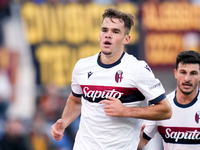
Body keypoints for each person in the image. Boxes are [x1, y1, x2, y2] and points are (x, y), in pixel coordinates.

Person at [51, 8, 172, 150]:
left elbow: (166, 110)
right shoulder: (82, 66)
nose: (108, 35)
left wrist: (126, 111)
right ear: (99, 35)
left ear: (126, 39)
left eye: (115, 32)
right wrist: (64, 122)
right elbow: (76, 100)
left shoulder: (137, 69)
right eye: (104, 30)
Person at [138, 50, 200, 150]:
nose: (187, 78)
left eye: (193, 73)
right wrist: (134, 137)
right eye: (183, 72)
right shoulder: (162, 107)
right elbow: (140, 142)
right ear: (175, 73)